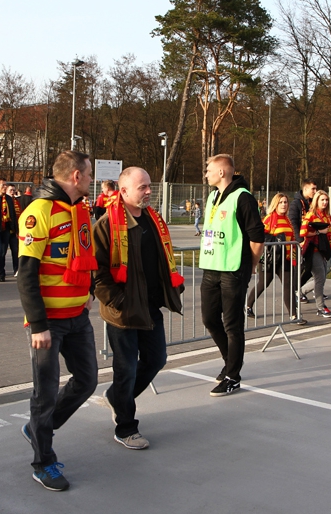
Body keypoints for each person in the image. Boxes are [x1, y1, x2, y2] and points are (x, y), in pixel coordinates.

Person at [16, 151, 98, 492]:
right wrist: (38, 326)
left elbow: (84, 255)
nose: (92, 179)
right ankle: (43, 462)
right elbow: (26, 274)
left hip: (78, 316)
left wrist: (90, 290)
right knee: (45, 394)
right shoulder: (39, 211)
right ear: (76, 176)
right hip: (49, 322)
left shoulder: (79, 209)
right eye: (89, 173)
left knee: (87, 381)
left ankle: (39, 429)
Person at [93, 166, 183, 450]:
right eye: (142, 187)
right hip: (122, 311)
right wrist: (118, 300)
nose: (148, 191)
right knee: (126, 368)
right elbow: (97, 273)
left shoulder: (154, 220)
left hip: (150, 306)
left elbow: (162, 259)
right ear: (123, 191)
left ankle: (116, 398)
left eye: (149, 186)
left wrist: (172, 285)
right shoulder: (106, 224)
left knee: (156, 360)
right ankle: (126, 428)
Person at [199, 154, 264, 396]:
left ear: (222, 172)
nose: (206, 174)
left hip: (233, 270)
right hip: (211, 267)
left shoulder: (243, 197)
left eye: (209, 170)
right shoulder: (212, 196)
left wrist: (251, 265)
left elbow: (257, 237)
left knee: (232, 325)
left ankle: (233, 377)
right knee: (209, 319)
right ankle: (230, 361)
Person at [244, 193, 304, 325]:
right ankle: (248, 306)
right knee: (263, 283)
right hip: (270, 259)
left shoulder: (287, 220)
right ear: (275, 204)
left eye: (285, 202)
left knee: (288, 286)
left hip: (285, 259)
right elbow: (261, 237)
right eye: (281, 202)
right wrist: (276, 240)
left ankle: (294, 315)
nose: (284, 205)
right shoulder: (269, 219)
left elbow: (292, 239)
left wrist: (295, 254)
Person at [300, 190, 331, 317]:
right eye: (322, 200)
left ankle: (300, 292)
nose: (325, 202)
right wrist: (318, 232)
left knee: (321, 277)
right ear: (316, 201)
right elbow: (303, 233)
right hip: (313, 251)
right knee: (320, 277)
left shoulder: (328, 216)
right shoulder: (311, 215)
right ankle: (321, 307)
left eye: (326, 200)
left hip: (325, 251)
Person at [290, 179, 317, 303]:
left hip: (310, 240)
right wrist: (299, 239)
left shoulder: (311, 203)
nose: (315, 191)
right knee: (299, 267)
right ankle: (294, 291)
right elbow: (294, 222)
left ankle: (297, 289)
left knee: (309, 267)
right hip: (300, 242)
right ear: (305, 189)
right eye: (313, 189)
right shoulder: (296, 203)